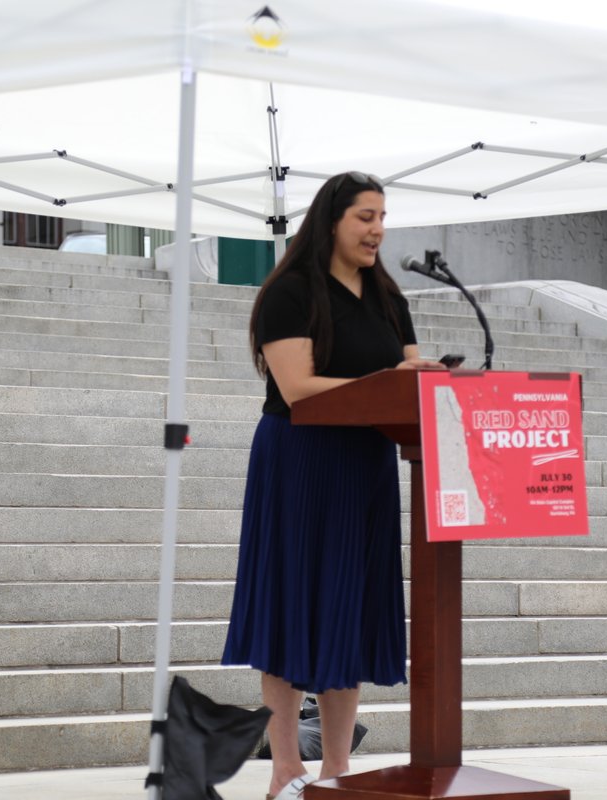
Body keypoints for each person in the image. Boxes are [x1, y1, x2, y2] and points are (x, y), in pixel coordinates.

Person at [220, 171, 439, 800]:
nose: (377, 229)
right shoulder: (291, 293)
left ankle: (338, 770)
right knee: (294, 606)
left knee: (349, 606)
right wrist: (387, 377)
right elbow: (297, 388)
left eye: (382, 217)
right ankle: (286, 766)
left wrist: (415, 377)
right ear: (333, 222)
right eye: (365, 217)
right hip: (301, 462)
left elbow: (407, 378)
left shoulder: (387, 295)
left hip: (365, 461)